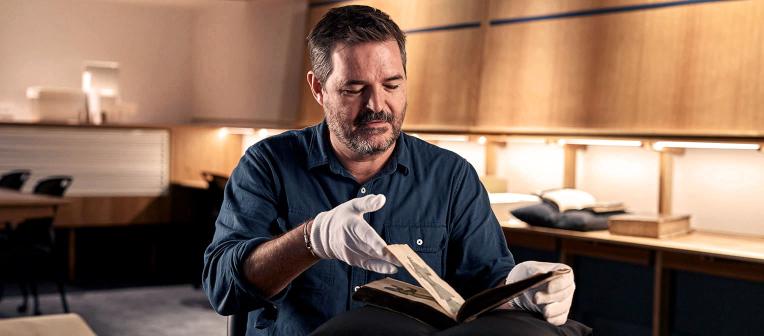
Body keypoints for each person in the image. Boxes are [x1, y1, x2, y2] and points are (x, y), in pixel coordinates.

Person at [203, 5, 588, 336]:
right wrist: (311, 240)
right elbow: (223, 289)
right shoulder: (266, 164)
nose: (377, 105)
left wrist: (523, 290)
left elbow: (485, 289)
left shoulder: (451, 176)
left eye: (392, 84)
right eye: (355, 88)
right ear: (319, 88)